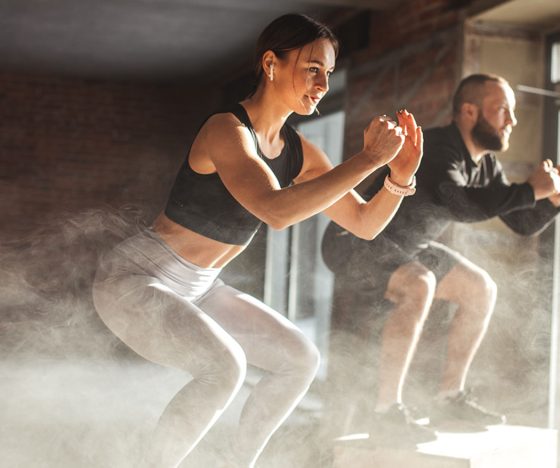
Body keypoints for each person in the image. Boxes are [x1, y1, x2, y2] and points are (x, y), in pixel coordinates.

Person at [92, 13, 424, 468]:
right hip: (135, 278)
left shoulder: (300, 152)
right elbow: (275, 209)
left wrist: (398, 180)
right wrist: (368, 158)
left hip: (202, 286)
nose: (323, 84)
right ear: (271, 64)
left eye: (328, 73)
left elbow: (364, 223)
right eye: (312, 69)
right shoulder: (226, 131)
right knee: (224, 369)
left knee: (299, 358)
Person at [322, 73, 560, 436]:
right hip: (353, 240)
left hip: (406, 247)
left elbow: (521, 223)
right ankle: (385, 413)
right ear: (470, 112)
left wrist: (551, 201)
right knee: (419, 283)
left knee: (480, 288)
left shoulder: (486, 165)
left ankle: (448, 399)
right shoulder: (438, 148)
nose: (512, 121)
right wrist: (529, 189)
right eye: (503, 109)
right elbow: (461, 204)